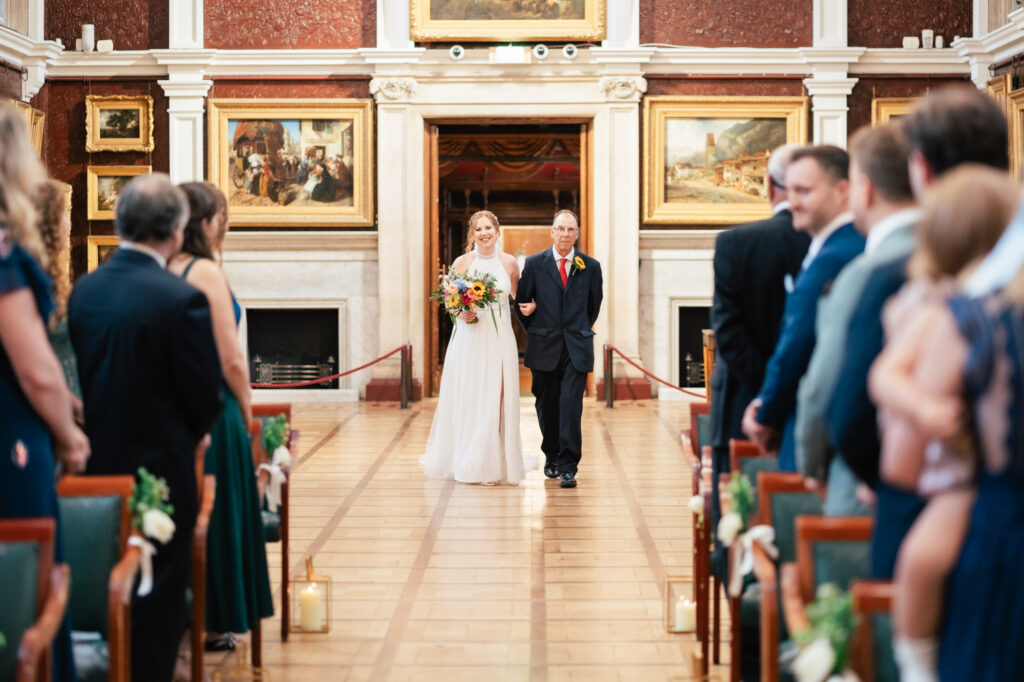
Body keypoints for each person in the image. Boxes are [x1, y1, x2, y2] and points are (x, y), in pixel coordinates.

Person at [825, 85, 1010, 579]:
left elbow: (851, 415)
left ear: (920, 170)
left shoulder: (899, 277)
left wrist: (886, 479)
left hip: (922, 516)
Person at [69, 173, 224, 682]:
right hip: (164, 466)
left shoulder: (85, 291)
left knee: (108, 583)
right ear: (177, 232)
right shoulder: (180, 298)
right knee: (157, 596)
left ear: (120, 225)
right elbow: (205, 395)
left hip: (98, 467)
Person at [866, 166, 1017, 682]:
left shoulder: (958, 314)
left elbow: (900, 459)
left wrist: (921, 411)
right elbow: (888, 375)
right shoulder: (944, 308)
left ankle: (916, 664)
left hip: (986, 503)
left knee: (925, 556)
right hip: (976, 480)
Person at [0, 101, 89, 682]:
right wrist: (69, 434)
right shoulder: (5, 257)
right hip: (12, 436)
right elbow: (34, 369)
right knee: (27, 579)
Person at [167, 182, 273, 649]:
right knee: (219, 512)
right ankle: (214, 619)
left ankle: (184, 617)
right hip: (215, 404)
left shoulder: (164, 266)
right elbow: (231, 359)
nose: (225, 224)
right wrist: (247, 409)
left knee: (186, 511)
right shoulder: (205, 270)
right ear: (206, 222)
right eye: (222, 216)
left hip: (174, 405)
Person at [794, 124, 918, 515]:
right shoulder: (960, 256)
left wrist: (812, 467)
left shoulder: (864, 274)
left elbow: (826, 386)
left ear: (863, 189)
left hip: (868, 485)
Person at [742, 145, 864, 470]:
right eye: (791, 190)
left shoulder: (834, 258)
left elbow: (799, 343)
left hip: (823, 435)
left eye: (804, 191)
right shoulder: (845, 245)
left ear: (842, 190)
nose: (792, 202)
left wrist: (765, 414)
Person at [709, 143, 809, 477]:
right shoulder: (829, 241)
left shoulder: (735, 243)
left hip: (741, 405)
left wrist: (766, 395)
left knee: (738, 500)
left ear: (768, 185)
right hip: (809, 406)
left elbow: (728, 333)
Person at [420, 210, 529, 485]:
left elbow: (519, 298)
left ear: (497, 230)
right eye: (478, 229)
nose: (484, 233)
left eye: (488, 228)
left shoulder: (509, 263)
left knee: (498, 396)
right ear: (473, 234)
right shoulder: (462, 263)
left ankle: (493, 463)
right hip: (469, 338)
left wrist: (534, 306)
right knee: (471, 395)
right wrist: (460, 312)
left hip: (499, 338)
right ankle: (470, 459)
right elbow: (450, 301)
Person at [515, 210, 603, 489]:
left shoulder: (591, 267)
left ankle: (568, 466)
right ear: (552, 232)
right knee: (546, 405)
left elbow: (593, 307)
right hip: (543, 346)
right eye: (560, 229)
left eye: (571, 229)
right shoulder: (534, 264)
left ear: (577, 234)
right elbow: (522, 304)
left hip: (576, 347)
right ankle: (551, 456)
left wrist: (576, 330)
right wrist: (538, 329)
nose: (565, 234)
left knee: (570, 405)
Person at [33, 179, 82, 403]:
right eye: (63, 214)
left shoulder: (50, 273)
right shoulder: (31, 278)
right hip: (51, 402)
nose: (69, 223)